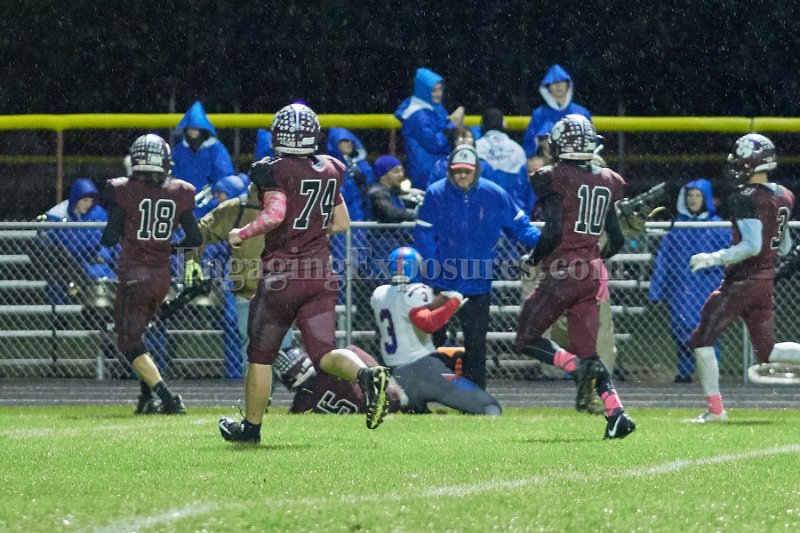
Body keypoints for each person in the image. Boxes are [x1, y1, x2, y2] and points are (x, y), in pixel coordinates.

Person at [218, 103, 391, 443]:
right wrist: (310, 229)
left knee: (260, 356)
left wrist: (243, 233)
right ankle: (366, 374)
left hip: (282, 275)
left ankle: (251, 429)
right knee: (324, 355)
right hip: (320, 274)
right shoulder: (330, 168)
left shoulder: (273, 170)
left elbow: (276, 214)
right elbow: (342, 223)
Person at [515, 114, 636, 439]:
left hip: (563, 272)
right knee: (589, 352)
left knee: (527, 338)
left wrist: (534, 258)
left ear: (559, 145)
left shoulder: (552, 177)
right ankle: (617, 413)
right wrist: (592, 260)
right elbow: (617, 240)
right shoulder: (607, 179)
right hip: (592, 274)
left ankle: (575, 368)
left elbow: (553, 230)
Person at [687, 133, 800, 423]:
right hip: (765, 281)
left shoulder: (746, 198)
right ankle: (715, 410)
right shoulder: (784, 195)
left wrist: (712, 257)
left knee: (702, 338)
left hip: (743, 280)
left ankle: (715, 411)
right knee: (768, 350)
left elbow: (752, 246)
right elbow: (784, 245)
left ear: (750, 162)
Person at [413, 145, 541, 389]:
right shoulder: (435, 193)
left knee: (476, 344)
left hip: (477, 284)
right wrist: (429, 276)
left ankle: (476, 397)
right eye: (457, 170)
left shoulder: (494, 194)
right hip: (442, 283)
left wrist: (547, 243)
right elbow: (424, 238)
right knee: (431, 341)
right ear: (450, 170)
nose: (462, 175)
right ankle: (426, 392)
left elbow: (521, 227)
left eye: (467, 170)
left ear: (476, 170)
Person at [100, 134, 201, 414]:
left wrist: (124, 225)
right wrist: (168, 248)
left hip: (134, 275)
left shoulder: (125, 190)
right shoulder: (179, 191)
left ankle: (168, 398)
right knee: (138, 337)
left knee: (128, 341)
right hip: (161, 276)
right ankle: (146, 398)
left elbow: (109, 238)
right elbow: (194, 238)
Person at [371, 247, 502, 414]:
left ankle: (414, 405)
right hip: (422, 368)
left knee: (418, 416)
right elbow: (427, 323)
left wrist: (443, 301)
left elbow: (407, 309)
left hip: (395, 373)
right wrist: (453, 303)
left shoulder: (380, 294)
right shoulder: (417, 291)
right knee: (489, 407)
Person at [190, 176, 294, 374]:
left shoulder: (238, 207)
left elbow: (201, 231)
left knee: (261, 352)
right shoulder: (290, 207)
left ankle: (258, 391)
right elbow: (201, 231)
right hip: (271, 290)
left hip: (260, 290)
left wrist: (192, 262)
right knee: (278, 353)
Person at [649, 179, 730, 383]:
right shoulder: (677, 228)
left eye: (697, 196)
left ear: (706, 198)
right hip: (681, 291)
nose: (693, 200)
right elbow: (663, 261)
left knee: (710, 332)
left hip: (709, 288)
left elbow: (731, 257)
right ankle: (684, 372)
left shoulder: (719, 226)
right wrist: (656, 291)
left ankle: (711, 373)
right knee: (681, 331)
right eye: (690, 196)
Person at [275, 345, 404, 415]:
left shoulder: (300, 403)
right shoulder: (330, 368)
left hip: (365, 415)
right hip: (387, 404)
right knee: (352, 351)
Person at [395, 67, 465, 190]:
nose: (439, 94)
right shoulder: (418, 115)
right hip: (425, 174)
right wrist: (452, 124)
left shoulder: (433, 107)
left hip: (434, 169)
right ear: (424, 91)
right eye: (434, 90)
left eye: (440, 89)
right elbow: (434, 144)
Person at [41, 178, 116, 281]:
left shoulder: (98, 214)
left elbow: (108, 241)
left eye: (90, 201)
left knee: (102, 273)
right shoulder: (58, 214)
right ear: (76, 199)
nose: (88, 204)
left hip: (92, 263)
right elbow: (45, 244)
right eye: (84, 200)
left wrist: (102, 257)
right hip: (64, 266)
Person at [522, 65, 591, 164]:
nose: (558, 85)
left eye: (561, 81)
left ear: (568, 84)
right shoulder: (539, 114)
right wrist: (532, 159)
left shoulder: (582, 113)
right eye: (554, 82)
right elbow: (528, 143)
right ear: (548, 87)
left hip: (577, 162)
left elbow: (592, 143)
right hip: (546, 163)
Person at [171, 100, 235, 202]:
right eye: (190, 128)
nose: (192, 131)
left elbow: (224, 178)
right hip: (182, 203)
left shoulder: (215, 149)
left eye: (196, 128)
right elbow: (172, 176)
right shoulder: (179, 150)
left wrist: (215, 200)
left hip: (211, 205)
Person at [475, 108, 536, 215]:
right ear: (504, 124)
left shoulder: (476, 147)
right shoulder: (517, 148)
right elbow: (523, 184)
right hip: (513, 208)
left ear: (482, 125)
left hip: (486, 208)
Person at [325, 127, 375, 221]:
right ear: (335, 141)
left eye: (351, 141)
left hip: (361, 214)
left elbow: (370, 184)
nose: (350, 143)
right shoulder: (328, 165)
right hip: (340, 213)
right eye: (345, 141)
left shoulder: (358, 164)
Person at [368, 156, 420, 223]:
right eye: (396, 172)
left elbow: (397, 192)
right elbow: (390, 213)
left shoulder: (390, 190)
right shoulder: (377, 193)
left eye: (402, 170)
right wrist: (418, 216)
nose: (401, 174)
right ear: (383, 176)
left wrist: (411, 192)